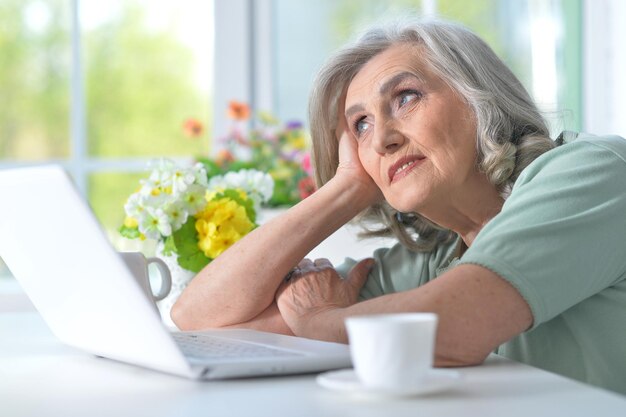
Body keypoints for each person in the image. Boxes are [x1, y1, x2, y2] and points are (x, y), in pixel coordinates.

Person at [171, 19, 626, 394]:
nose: (383, 138)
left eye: (406, 97)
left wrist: (318, 320)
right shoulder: (433, 259)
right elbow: (201, 320)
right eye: (361, 125)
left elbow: (448, 330)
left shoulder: (591, 174)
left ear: (478, 95)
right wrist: (346, 187)